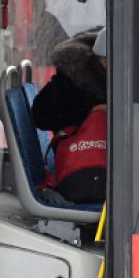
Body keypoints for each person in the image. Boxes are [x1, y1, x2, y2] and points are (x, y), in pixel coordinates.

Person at [30, 27, 110, 203]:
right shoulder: (75, 80)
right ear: (103, 60)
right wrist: (90, 112)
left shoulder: (121, 78)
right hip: (86, 175)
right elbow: (40, 115)